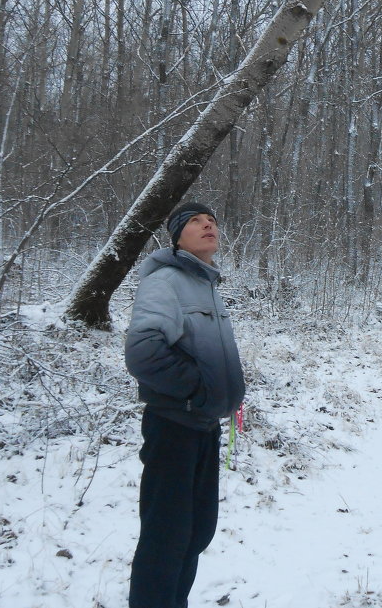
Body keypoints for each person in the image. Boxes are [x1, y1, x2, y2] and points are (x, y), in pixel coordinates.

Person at [124, 200, 246, 608]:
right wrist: (200, 389)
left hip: (203, 426)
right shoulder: (166, 281)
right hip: (173, 426)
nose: (208, 225)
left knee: (195, 534)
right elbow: (143, 352)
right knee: (166, 538)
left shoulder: (205, 284)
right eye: (195, 221)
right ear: (177, 236)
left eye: (211, 220)